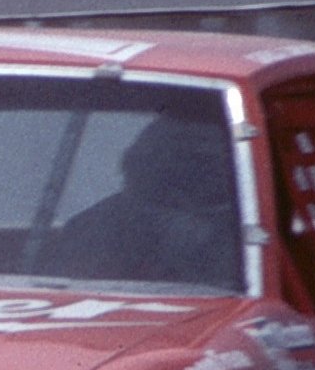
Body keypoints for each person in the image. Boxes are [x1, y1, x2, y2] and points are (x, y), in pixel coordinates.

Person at [42, 109, 241, 288]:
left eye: (205, 160)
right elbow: (67, 295)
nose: (194, 171)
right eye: (183, 156)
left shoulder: (243, 231)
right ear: (143, 162)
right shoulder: (90, 229)